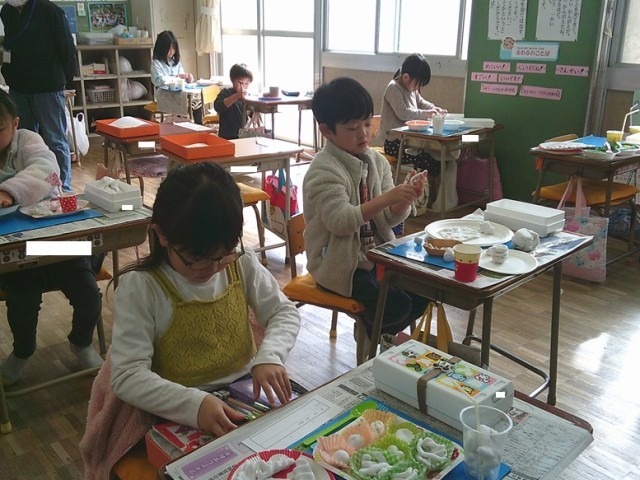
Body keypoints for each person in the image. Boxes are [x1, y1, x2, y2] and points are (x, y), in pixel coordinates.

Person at [81, 162, 301, 475]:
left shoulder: (241, 263)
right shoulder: (143, 287)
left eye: (223, 255)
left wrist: (270, 356)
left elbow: (283, 311)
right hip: (174, 412)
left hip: (243, 398)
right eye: (196, 260)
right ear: (162, 235)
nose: (213, 268)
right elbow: (127, 375)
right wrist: (195, 406)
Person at [303, 77, 430, 353]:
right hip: (336, 264)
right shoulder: (324, 170)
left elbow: (388, 220)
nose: (363, 134)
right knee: (396, 304)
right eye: (352, 128)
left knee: (424, 293)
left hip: (375, 257)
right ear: (326, 130)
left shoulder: (377, 161)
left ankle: (377, 332)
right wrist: (387, 198)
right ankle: (376, 335)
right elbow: (340, 222)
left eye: (367, 123)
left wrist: (404, 199)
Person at [0, 89, 104, 386]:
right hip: (15, 251)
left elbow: (47, 168)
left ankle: (81, 341)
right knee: (21, 304)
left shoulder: (28, 141)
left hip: (56, 241)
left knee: (88, 295)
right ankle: (23, 351)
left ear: (15, 124)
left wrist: (9, 191)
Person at [1, 0, 78, 192]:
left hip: (48, 87)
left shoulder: (50, 10)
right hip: (19, 87)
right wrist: (7, 73)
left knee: (55, 140)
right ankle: (27, 189)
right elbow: (9, 44)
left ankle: (62, 189)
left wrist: (68, 80)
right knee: (22, 142)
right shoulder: (7, 11)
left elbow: (66, 47)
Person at [372, 53, 457, 211]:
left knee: (442, 158)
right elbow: (403, 113)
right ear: (405, 77)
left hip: (410, 142)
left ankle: (434, 201)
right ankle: (423, 201)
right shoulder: (393, 88)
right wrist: (427, 114)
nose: (417, 88)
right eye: (417, 84)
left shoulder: (411, 89)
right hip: (395, 144)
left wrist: (435, 109)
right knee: (432, 162)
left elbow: (422, 103)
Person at [150, 30, 202, 124]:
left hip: (177, 92)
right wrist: (176, 77)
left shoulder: (175, 62)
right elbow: (159, 81)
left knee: (196, 101)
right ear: (162, 48)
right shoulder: (156, 64)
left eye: (173, 48)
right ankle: (183, 124)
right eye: (169, 49)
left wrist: (187, 78)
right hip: (163, 94)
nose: (171, 52)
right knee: (185, 102)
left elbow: (181, 79)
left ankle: (198, 124)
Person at [214, 63, 253, 139]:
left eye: (247, 83)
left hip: (242, 135)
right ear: (233, 80)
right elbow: (218, 107)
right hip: (227, 136)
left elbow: (252, 114)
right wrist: (236, 96)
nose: (243, 86)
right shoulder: (226, 92)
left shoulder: (247, 96)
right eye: (240, 83)